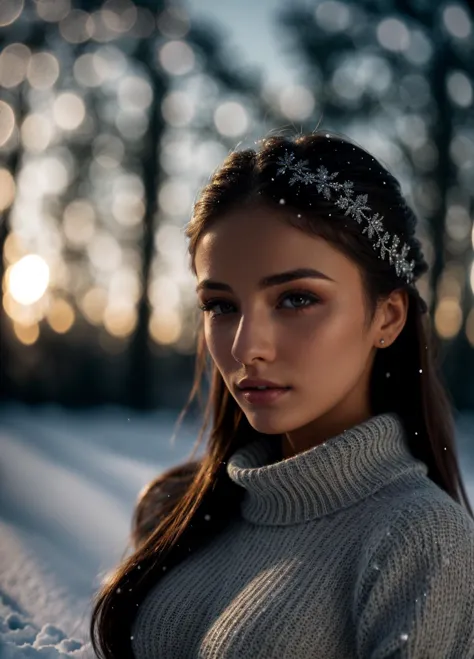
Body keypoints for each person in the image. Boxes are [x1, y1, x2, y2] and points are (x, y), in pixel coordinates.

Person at [90, 132, 474, 658]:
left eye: (296, 298)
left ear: (387, 316)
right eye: (221, 305)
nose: (248, 347)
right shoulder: (178, 509)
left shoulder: (420, 538)